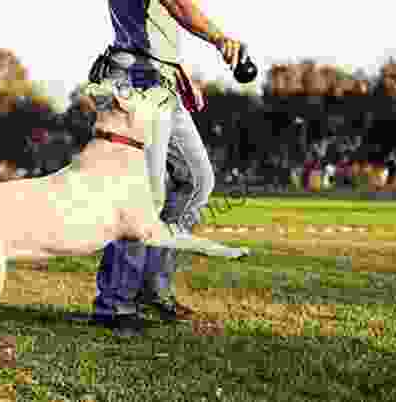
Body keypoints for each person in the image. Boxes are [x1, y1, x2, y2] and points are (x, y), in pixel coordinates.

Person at [89, 0, 246, 336]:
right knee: (143, 195)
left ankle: (150, 287)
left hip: (161, 78)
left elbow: (156, 23)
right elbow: (178, 5)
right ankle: (115, 303)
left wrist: (176, 65)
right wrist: (220, 39)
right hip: (137, 82)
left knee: (197, 180)